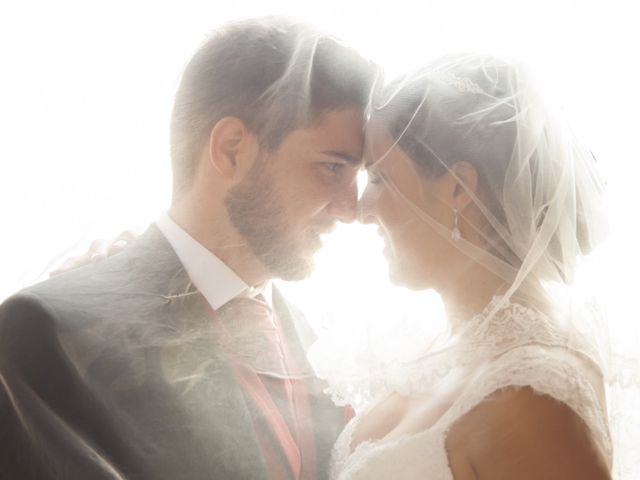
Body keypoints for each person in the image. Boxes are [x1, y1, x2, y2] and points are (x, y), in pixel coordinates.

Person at [0, 17, 376, 480]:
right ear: (233, 149)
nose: (352, 208)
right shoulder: (49, 331)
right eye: (333, 168)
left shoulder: (320, 346)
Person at [327, 54, 613, 479]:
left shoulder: (534, 394)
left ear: (458, 188)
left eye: (381, 178)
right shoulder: (425, 352)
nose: (360, 209)